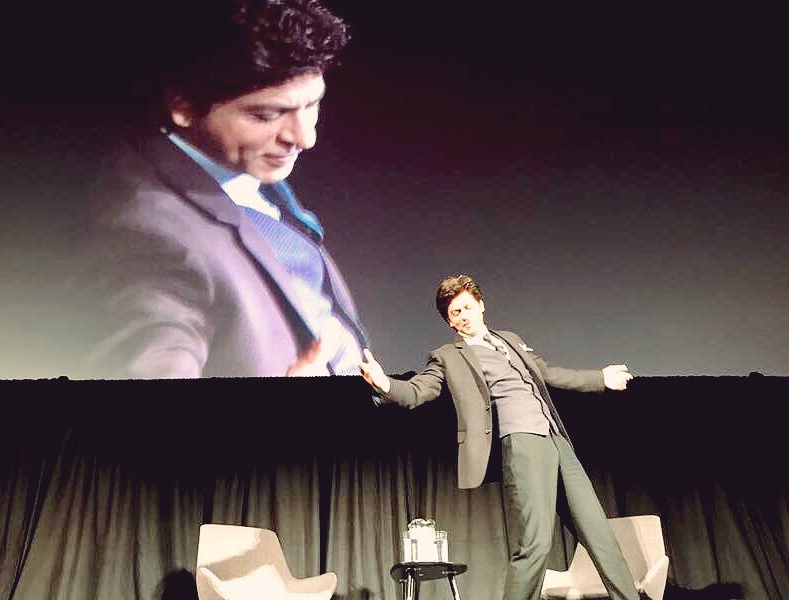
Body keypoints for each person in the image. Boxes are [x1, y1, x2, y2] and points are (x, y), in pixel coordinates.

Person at [70, 0, 368, 379]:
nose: (304, 138)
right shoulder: (144, 236)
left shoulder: (242, 165)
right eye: (265, 115)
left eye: (312, 105)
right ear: (183, 107)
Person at [359, 274, 640, 600]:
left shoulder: (510, 339)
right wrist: (384, 383)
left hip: (556, 440)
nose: (463, 316)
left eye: (467, 307)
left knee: (600, 535)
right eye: (455, 313)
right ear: (450, 322)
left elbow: (548, 373)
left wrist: (600, 378)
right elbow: (418, 391)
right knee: (535, 544)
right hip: (522, 442)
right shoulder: (448, 356)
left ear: (481, 305)